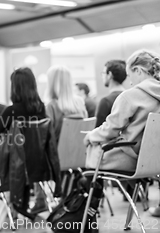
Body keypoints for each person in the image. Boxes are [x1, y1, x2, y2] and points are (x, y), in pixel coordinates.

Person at [83, 50, 160, 217]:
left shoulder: (130, 96)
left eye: (130, 74)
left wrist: (90, 136)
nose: (130, 81)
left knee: (91, 156)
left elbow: (110, 129)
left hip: (130, 160)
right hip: (154, 163)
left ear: (138, 70)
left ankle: (86, 217)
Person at [0, 68, 47, 215]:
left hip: (16, 163)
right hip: (38, 159)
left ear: (15, 87)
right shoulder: (41, 109)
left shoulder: (11, 111)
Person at [46, 66, 88, 143]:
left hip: (57, 153)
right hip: (80, 151)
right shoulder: (79, 102)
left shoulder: (51, 106)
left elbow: (47, 138)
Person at [95, 60, 127, 127]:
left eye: (103, 73)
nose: (102, 76)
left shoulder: (105, 101)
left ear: (109, 75)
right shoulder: (130, 97)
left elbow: (98, 129)